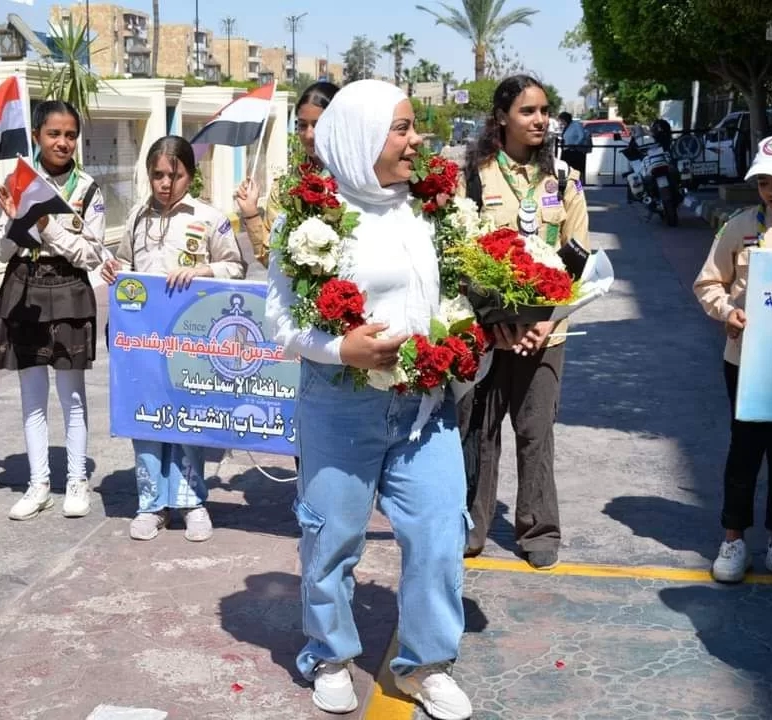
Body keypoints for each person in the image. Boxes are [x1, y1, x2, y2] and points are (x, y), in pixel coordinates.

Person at [266, 80, 473, 719]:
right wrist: (339, 349)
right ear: (360, 136)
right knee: (333, 537)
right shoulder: (307, 217)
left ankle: (426, 664)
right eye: (402, 128)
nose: (417, 141)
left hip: (424, 405)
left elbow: (455, 288)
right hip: (341, 402)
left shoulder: (432, 206)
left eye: (414, 127)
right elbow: (279, 317)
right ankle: (328, 654)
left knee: (439, 529)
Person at [458, 75, 589, 570]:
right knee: (480, 431)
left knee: (536, 431)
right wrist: (493, 322)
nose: (540, 120)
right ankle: (472, 524)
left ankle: (539, 529)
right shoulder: (473, 178)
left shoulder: (564, 182)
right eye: (528, 111)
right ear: (502, 118)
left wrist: (546, 322)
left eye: (544, 111)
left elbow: (579, 263)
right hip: (488, 333)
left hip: (544, 333)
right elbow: (460, 256)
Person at [100, 136, 246, 542]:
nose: (165, 183)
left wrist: (203, 272)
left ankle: (191, 501)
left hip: (190, 341)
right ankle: (151, 504)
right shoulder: (136, 217)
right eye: (157, 175)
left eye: (174, 175)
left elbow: (236, 266)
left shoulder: (209, 218)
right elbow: (126, 264)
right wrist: (115, 271)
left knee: (187, 417)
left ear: (190, 175)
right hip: (141, 342)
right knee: (145, 418)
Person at [0, 100, 106, 521]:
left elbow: (91, 255)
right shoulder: (18, 181)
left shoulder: (87, 189)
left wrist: (45, 225)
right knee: (32, 397)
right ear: (37, 135)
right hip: (25, 290)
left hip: (69, 290)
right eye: (54, 134)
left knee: (71, 395)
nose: (63, 142)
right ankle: (39, 484)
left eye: (70, 135)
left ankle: (76, 480)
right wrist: (14, 218)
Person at [692, 133, 772, 587]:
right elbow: (708, 283)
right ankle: (733, 539)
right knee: (745, 450)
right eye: (763, 182)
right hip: (746, 362)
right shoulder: (739, 226)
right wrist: (726, 311)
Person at [234, 81, 339, 267]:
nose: (309, 135)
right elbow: (271, 259)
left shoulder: (360, 182)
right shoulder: (286, 188)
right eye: (302, 125)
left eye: (319, 124)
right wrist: (250, 213)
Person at [558, 111, 590, 178]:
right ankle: (565, 185)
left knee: (576, 171)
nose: (561, 122)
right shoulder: (567, 126)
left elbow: (581, 136)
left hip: (576, 152)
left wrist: (575, 145)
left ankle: (578, 186)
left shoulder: (576, 124)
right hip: (567, 150)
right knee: (565, 169)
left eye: (562, 120)